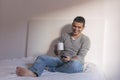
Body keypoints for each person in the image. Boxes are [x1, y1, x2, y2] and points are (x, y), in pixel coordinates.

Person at [16, 16, 90, 77]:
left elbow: (81, 56)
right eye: (74, 26)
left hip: (74, 62)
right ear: (72, 25)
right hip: (61, 60)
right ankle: (33, 73)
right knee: (42, 58)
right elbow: (58, 53)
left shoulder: (85, 40)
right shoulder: (65, 36)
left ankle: (52, 69)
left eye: (79, 27)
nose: (76, 29)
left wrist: (70, 59)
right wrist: (56, 50)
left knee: (75, 65)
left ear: (83, 27)